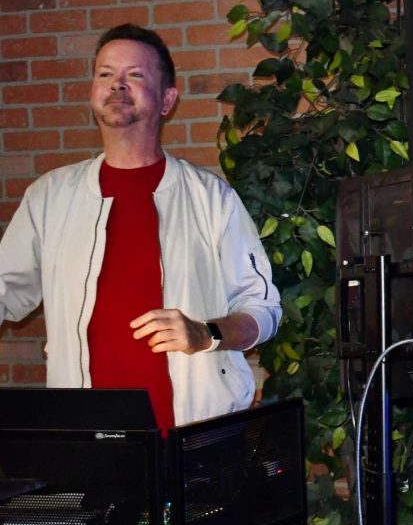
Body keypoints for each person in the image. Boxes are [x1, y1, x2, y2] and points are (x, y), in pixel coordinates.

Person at [0, 23, 281, 432]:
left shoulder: (211, 198)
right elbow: (5, 289)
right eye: (105, 73)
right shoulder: (49, 197)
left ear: (167, 100)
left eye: (134, 74)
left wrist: (205, 333)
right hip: (85, 436)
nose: (117, 84)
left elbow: (264, 311)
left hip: (192, 434)